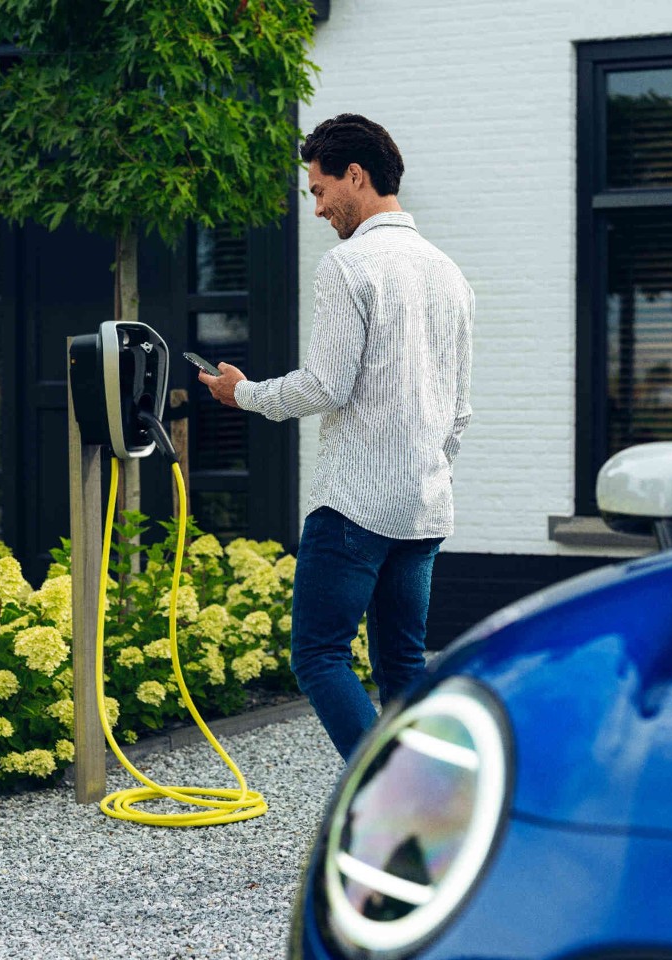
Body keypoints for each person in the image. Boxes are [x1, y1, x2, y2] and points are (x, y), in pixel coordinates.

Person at [198, 114, 474, 760]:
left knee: (319, 655)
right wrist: (427, 468)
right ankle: (428, 814)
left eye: (320, 190)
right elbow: (459, 410)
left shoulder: (348, 265)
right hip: (423, 504)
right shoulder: (449, 273)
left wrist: (243, 394)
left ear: (356, 176)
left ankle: (383, 799)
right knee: (404, 663)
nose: (317, 208)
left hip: (353, 504)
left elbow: (325, 385)